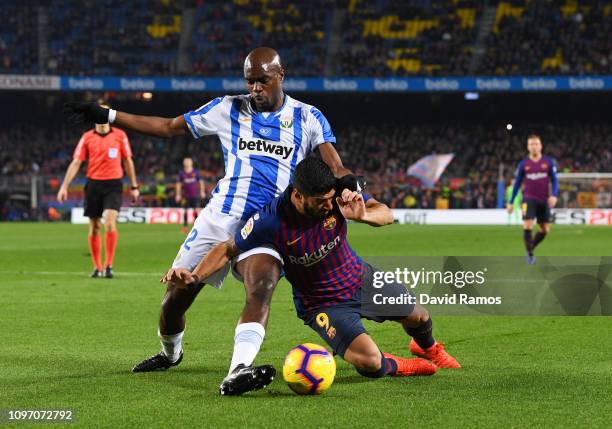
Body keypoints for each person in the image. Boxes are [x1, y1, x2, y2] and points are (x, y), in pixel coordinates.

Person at [64, 47, 360, 394]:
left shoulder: (308, 117)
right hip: (219, 219)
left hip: (268, 224)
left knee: (261, 287)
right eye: (250, 81)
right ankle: (170, 353)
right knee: (176, 298)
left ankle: (238, 370)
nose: (255, 89)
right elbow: (168, 127)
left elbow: (335, 165)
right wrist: (109, 114)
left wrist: (350, 183)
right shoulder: (227, 108)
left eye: (262, 81)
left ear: (281, 75)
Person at [165, 157, 460, 385]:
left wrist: (365, 215)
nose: (327, 206)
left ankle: (428, 348)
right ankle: (398, 364)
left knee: (420, 316)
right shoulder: (270, 221)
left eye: (330, 199)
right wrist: (194, 276)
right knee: (371, 363)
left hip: (360, 278)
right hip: (323, 304)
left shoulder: (338, 197)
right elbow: (228, 248)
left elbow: (388, 215)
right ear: (297, 195)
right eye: (319, 202)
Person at [57, 102, 139, 278]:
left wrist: (134, 186)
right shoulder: (87, 138)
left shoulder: (120, 136)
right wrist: (64, 186)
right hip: (93, 185)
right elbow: (76, 162)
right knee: (94, 227)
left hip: (113, 184)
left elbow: (128, 161)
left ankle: (109, 265)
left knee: (109, 221)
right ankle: (97, 267)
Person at [507, 134, 558, 264]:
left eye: (536, 144)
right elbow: (517, 184)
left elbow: (555, 180)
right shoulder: (523, 164)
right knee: (528, 224)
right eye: (531, 144)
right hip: (528, 199)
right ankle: (530, 254)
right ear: (528, 147)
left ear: (540, 146)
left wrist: (554, 195)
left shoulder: (548, 162)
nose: (534, 146)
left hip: (544, 200)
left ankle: (531, 247)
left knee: (545, 229)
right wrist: (511, 202)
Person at [176, 157, 205, 232]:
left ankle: (196, 226)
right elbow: (178, 184)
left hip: (194, 195)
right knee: (185, 210)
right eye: (185, 162)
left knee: (195, 210)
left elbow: (201, 182)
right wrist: (178, 194)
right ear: (183, 163)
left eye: (188, 162)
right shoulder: (181, 173)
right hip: (185, 195)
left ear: (191, 163)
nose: (187, 163)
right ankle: (185, 227)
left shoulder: (196, 172)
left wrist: (202, 191)